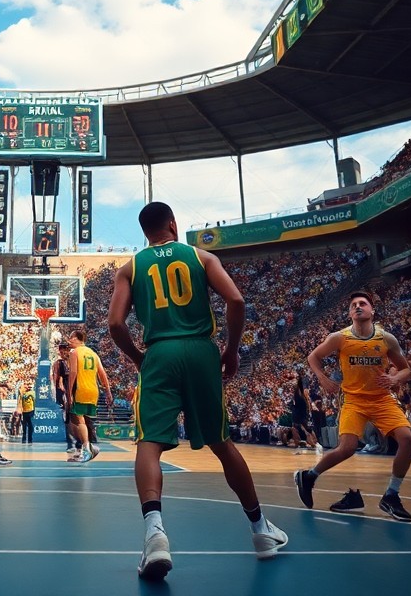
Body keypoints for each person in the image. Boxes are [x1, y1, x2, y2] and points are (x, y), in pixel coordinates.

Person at [108, 202, 287, 581]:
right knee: (222, 443)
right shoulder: (201, 256)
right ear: (173, 225)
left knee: (149, 443)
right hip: (202, 351)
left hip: (160, 353)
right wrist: (232, 350)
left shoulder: (130, 268)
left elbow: (115, 324)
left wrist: (139, 358)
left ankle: (155, 535)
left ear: (145, 232)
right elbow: (236, 300)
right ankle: (260, 530)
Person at [295, 290, 411, 521]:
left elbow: (406, 369)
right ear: (350, 313)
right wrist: (322, 378)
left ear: (372, 310)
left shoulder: (386, 339)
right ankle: (309, 476)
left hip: (381, 399)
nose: (358, 306)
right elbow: (313, 357)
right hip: (354, 400)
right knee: (347, 448)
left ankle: (391, 495)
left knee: (407, 439)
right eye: (353, 305)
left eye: (363, 303)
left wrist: (394, 379)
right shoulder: (339, 337)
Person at [65, 328, 112, 462]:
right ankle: (89, 447)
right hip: (93, 390)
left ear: (76, 338)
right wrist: (108, 391)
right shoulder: (93, 353)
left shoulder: (75, 352)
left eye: (71, 337)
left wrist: (69, 392)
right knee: (78, 421)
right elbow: (102, 374)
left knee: (79, 420)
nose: (69, 340)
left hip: (81, 389)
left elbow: (73, 373)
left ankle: (87, 449)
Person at [53, 342, 82, 455]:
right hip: (66, 393)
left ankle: (80, 441)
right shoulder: (59, 363)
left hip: (76, 391)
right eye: (61, 351)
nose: (62, 353)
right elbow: (58, 380)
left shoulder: (75, 361)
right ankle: (71, 443)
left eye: (64, 350)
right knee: (68, 418)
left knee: (78, 417)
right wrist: (62, 394)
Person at [19, 380, 36, 444]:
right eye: (26, 384)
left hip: (30, 410)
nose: (27, 386)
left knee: (30, 425)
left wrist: (34, 410)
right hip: (24, 411)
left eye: (28, 385)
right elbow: (20, 401)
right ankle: (24, 439)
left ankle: (30, 439)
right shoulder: (22, 392)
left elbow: (34, 401)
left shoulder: (32, 392)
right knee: (24, 426)